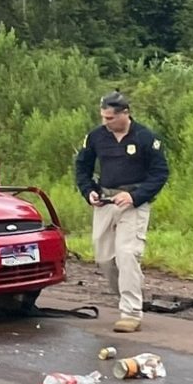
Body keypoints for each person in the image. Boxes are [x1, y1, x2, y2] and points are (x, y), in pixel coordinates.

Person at [73, 90, 168, 332]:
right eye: (103, 117)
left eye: (110, 118)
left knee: (127, 254)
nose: (106, 122)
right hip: (105, 200)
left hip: (133, 203)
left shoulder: (146, 138)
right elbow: (82, 167)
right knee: (104, 258)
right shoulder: (96, 137)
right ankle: (127, 291)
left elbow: (159, 173)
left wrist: (136, 196)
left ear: (125, 114)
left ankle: (131, 312)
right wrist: (88, 191)